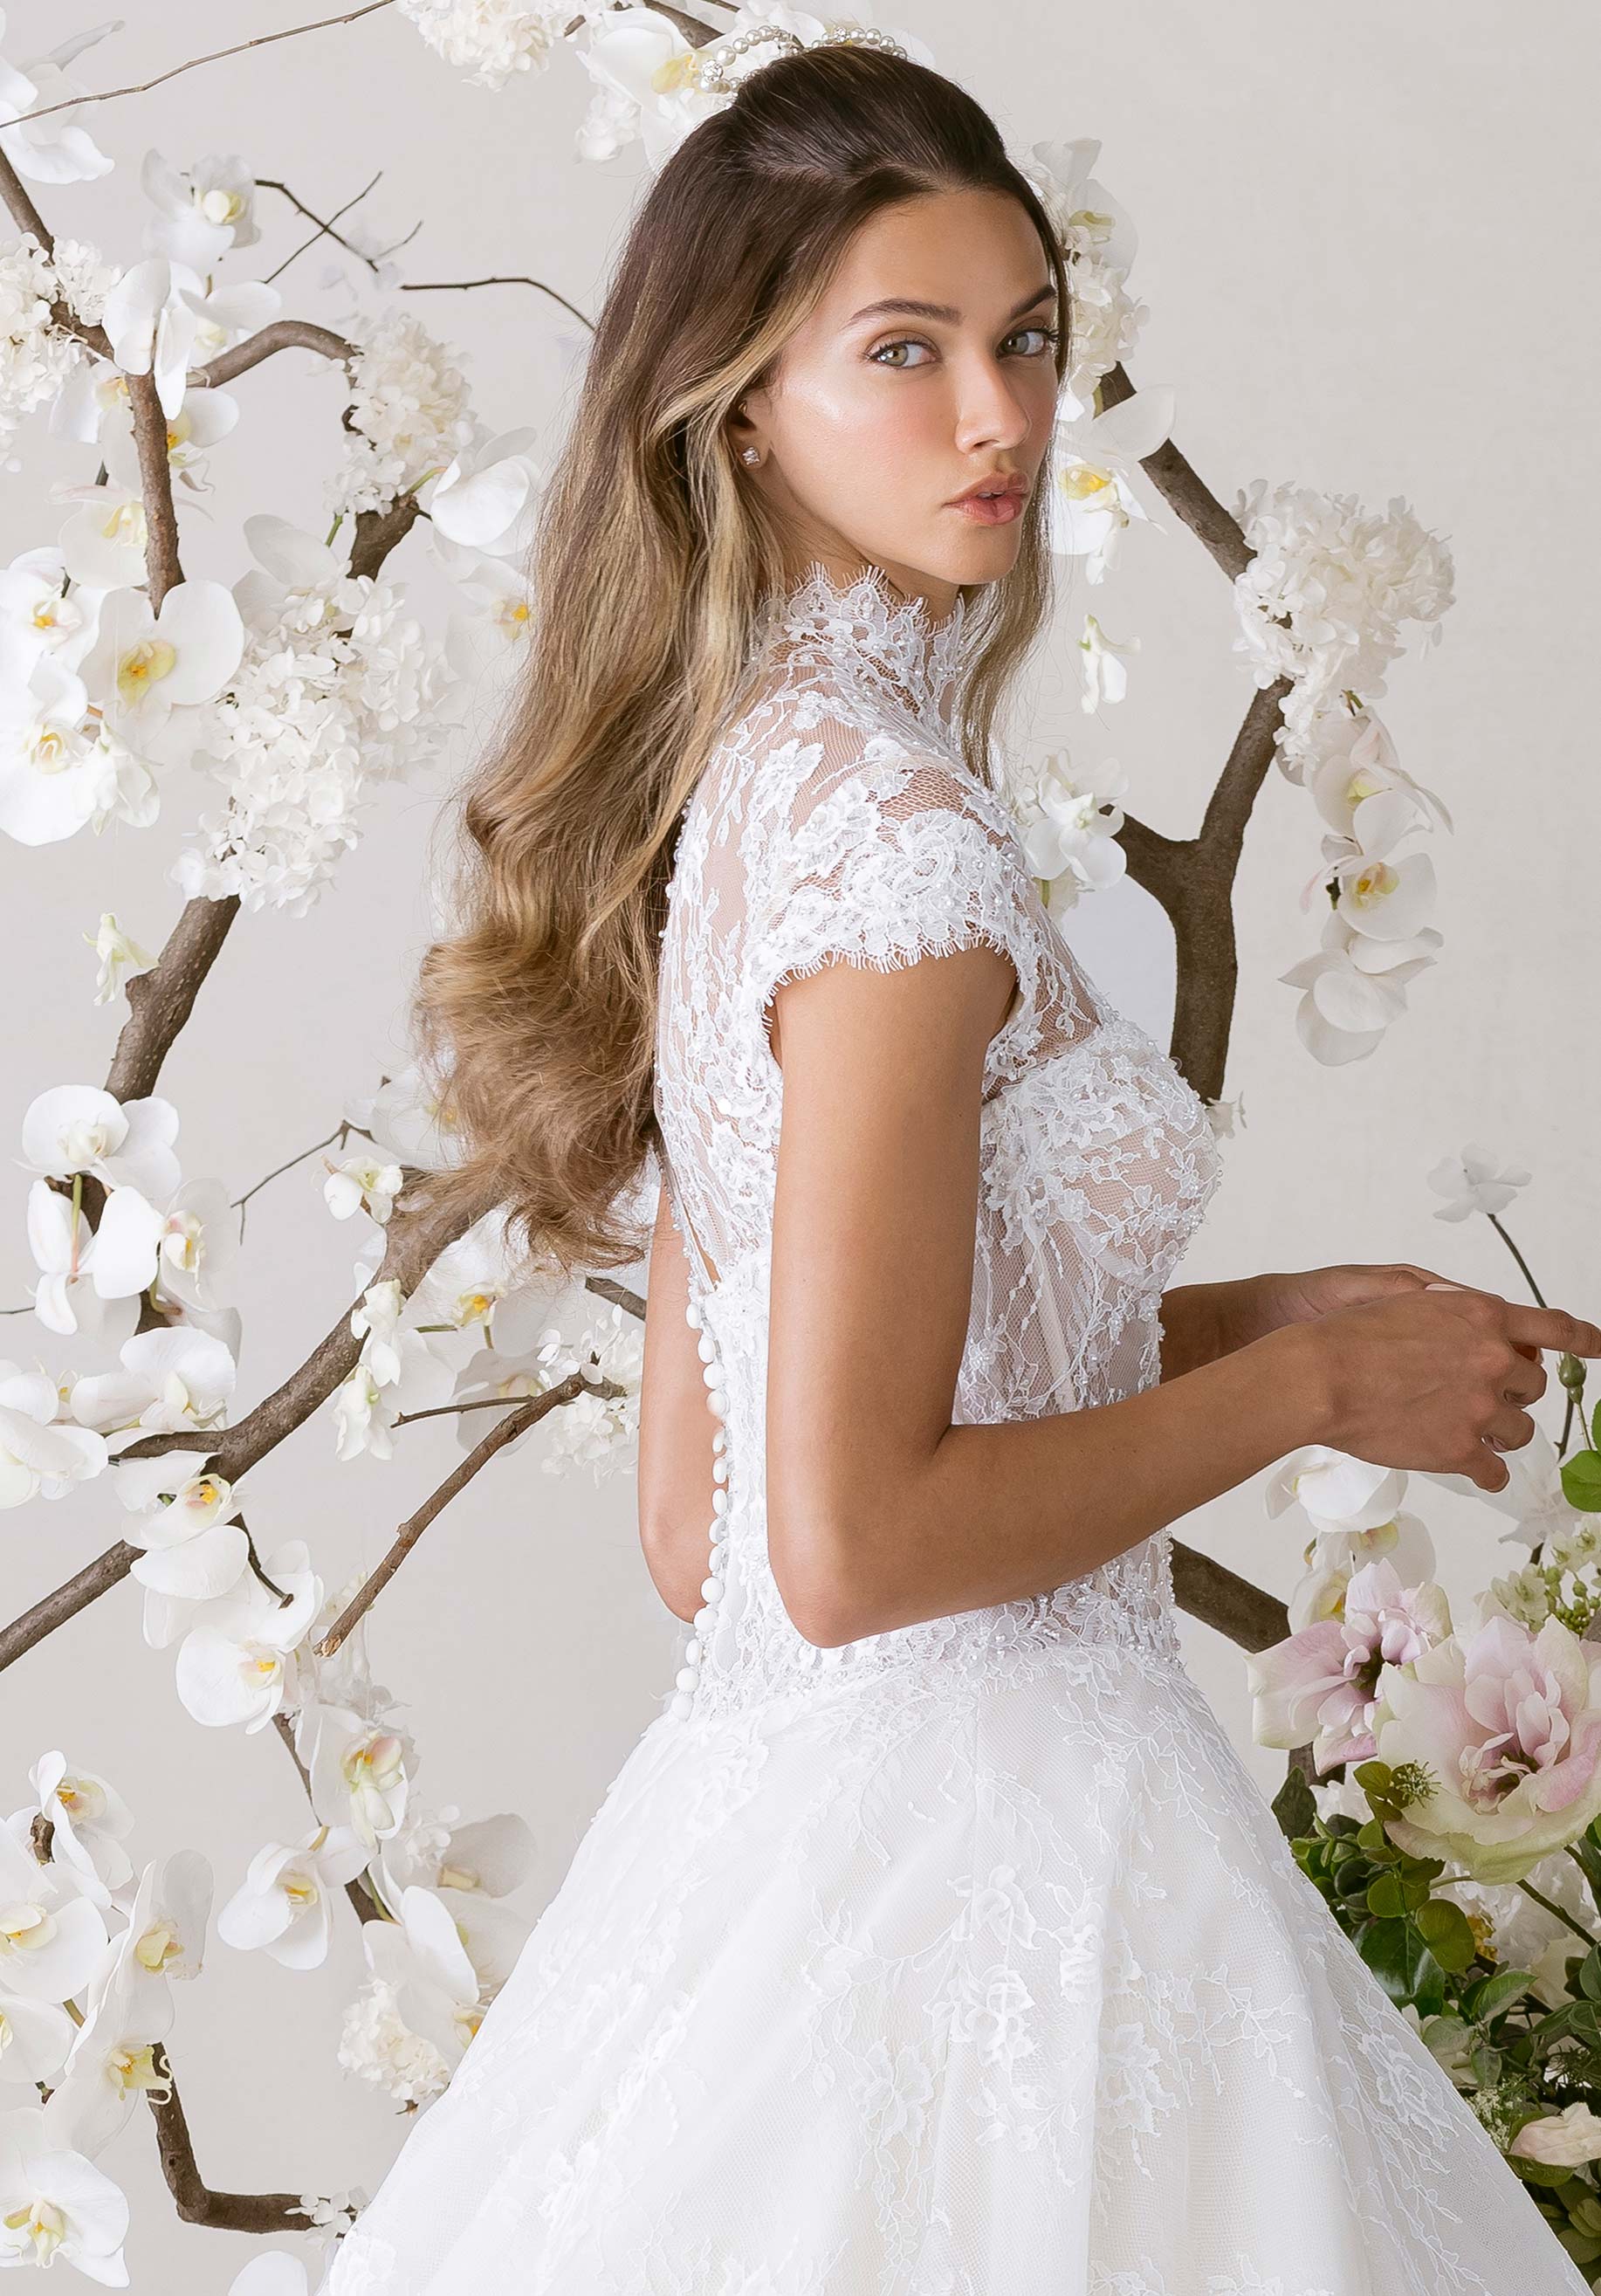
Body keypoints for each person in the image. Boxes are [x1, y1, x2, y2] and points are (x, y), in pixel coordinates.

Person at [320, 36, 1601, 2296]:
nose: (997, 412)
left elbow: (702, 1516)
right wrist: (1302, 1405)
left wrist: (1273, 1318)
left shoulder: (767, 797)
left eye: (1022, 339)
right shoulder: (894, 845)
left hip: (779, 1863)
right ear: (738, 405)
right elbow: (841, 1541)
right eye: (901, 352)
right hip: (1030, 1871)